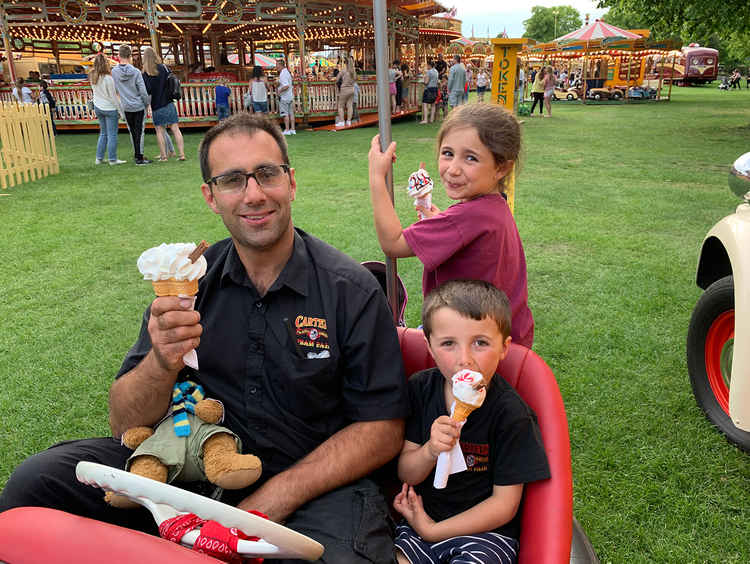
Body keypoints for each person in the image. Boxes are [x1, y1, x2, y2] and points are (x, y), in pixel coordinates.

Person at [0, 113, 409, 562]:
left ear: (291, 182)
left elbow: (382, 428)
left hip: (310, 485)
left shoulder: (348, 290)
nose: (254, 194)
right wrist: (161, 360)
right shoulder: (189, 284)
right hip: (185, 464)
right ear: (210, 197)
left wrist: (273, 497)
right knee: (35, 484)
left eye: (266, 174)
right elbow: (123, 423)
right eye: (232, 180)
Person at [393, 279, 550, 564]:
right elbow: (406, 473)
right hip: (421, 521)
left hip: (485, 534)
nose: (464, 359)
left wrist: (435, 531)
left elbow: (504, 506)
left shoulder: (511, 414)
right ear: (429, 346)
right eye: (448, 344)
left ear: (504, 347)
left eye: (480, 343)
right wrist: (430, 449)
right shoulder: (420, 389)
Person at [368, 103, 534, 348]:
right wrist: (441, 222)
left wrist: (376, 178)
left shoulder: (468, 216)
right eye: (447, 153)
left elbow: (393, 243)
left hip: (471, 341)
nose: (453, 169)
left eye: (471, 158)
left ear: (502, 167)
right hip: (499, 333)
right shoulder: (494, 207)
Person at [142, 46, 186, 162]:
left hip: (156, 104)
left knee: (159, 131)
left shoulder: (146, 73)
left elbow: (148, 90)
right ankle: (182, 154)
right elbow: (172, 80)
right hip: (168, 102)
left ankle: (164, 156)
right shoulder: (164, 68)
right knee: (175, 128)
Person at [112, 44, 152, 165]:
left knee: (132, 131)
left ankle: (137, 154)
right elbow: (143, 91)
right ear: (130, 56)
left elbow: (116, 90)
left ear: (119, 56)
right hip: (138, 105)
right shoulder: (136, 72)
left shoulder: (114, 72)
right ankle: (139, 156)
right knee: (140, 131)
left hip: (126, 105)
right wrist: (147, 104)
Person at [89, 54, 126, 166]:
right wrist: (121, 111)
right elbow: (113, 97)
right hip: (109, 108)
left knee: (103, 133)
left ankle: (99, 158)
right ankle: (112, 159)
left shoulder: (92, 77)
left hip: (98, 107)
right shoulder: (108, 79)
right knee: (112, 135)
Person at [335, 56, 356, 127]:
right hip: (352, 89)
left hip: (344, 89)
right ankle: (349, 121)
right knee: (350, 106)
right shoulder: (353, 71)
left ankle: (342, 121)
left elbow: (337, 79)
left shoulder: (344, 71)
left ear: (345, 63)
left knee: (340, 106)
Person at [276, 58, 296, 135]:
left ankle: (287, 129)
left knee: (285, 114)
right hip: (290, 96)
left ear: (280, 65)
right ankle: (293, 129)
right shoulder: (287, 72)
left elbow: (286, 86)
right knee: (291, 113)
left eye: (277, 65)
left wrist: (279, 91)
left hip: (284, 97)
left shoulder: (282, 74)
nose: (276, 67)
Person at [421, 59, 439, 124]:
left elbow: (426, 82)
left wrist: (423, 81)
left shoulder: (429, 72)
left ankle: (425, 119)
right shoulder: (436, 71)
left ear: (429, 65)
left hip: (429, 89)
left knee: (425, 104)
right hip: (435, 88)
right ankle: (431, 119)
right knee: (433, 104)